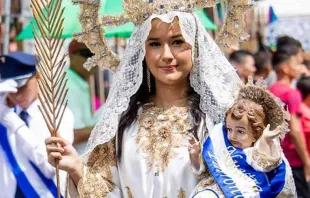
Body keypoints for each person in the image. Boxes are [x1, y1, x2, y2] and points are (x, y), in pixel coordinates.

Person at [45, 1, 258, 197]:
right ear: (142, 50)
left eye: (177, 42)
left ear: (196, 47)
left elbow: (251, 181)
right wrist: (75, 166)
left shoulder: (222, 118)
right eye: (155, 44)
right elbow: (108, 190)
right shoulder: (123, 121)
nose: (166, 54)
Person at [191, 78, 295, 197]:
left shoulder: (256, 152)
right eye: (229, 129)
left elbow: (265, 166)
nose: (232, 136)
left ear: (256, 134)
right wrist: (195, 155)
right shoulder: (221, 146)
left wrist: (265, 141)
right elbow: (204, 171)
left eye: (240, 131)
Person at [0, 52, 74, 197]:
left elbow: (51, 168)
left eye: (23, 87)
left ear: (38, 78)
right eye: (11, 91)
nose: (17, 95)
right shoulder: (4, 115)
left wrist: (14, 123)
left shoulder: (59, 115)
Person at [270, 45, 310, 197]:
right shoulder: (291, 93)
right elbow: (295, 130)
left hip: (277, 156)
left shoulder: (271, 89)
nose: (300, 68)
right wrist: (307, 161)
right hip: (294, 159)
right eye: (296, 65)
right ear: (285, 68)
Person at [66, 40, 104, 154]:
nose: (93, 60)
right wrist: (107, 127)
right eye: (88, 54)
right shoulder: (69, 86)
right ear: (72, 55)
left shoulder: (77, 82)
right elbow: (73, 135)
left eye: (98, 55)